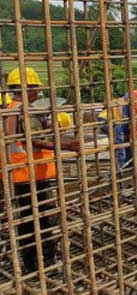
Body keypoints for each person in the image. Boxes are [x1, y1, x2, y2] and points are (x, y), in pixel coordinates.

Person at [2, 67, 79, 273]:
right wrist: (67, 145)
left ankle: (30, 264)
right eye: (35, 89)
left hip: (17, 174)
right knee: (43, 220)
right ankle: (45, 263)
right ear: (27, 89)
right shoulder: (25, 110)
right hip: (33, 174)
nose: (36, 94)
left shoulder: (7, 109)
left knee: (27, 221)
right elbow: (35, 140)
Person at [98, 88, 137, 200]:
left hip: (111, 118)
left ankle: (120, 179)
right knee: (121, 153)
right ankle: (118, 185)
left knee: (128, 154)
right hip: (112, 119)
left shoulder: (134, 96)